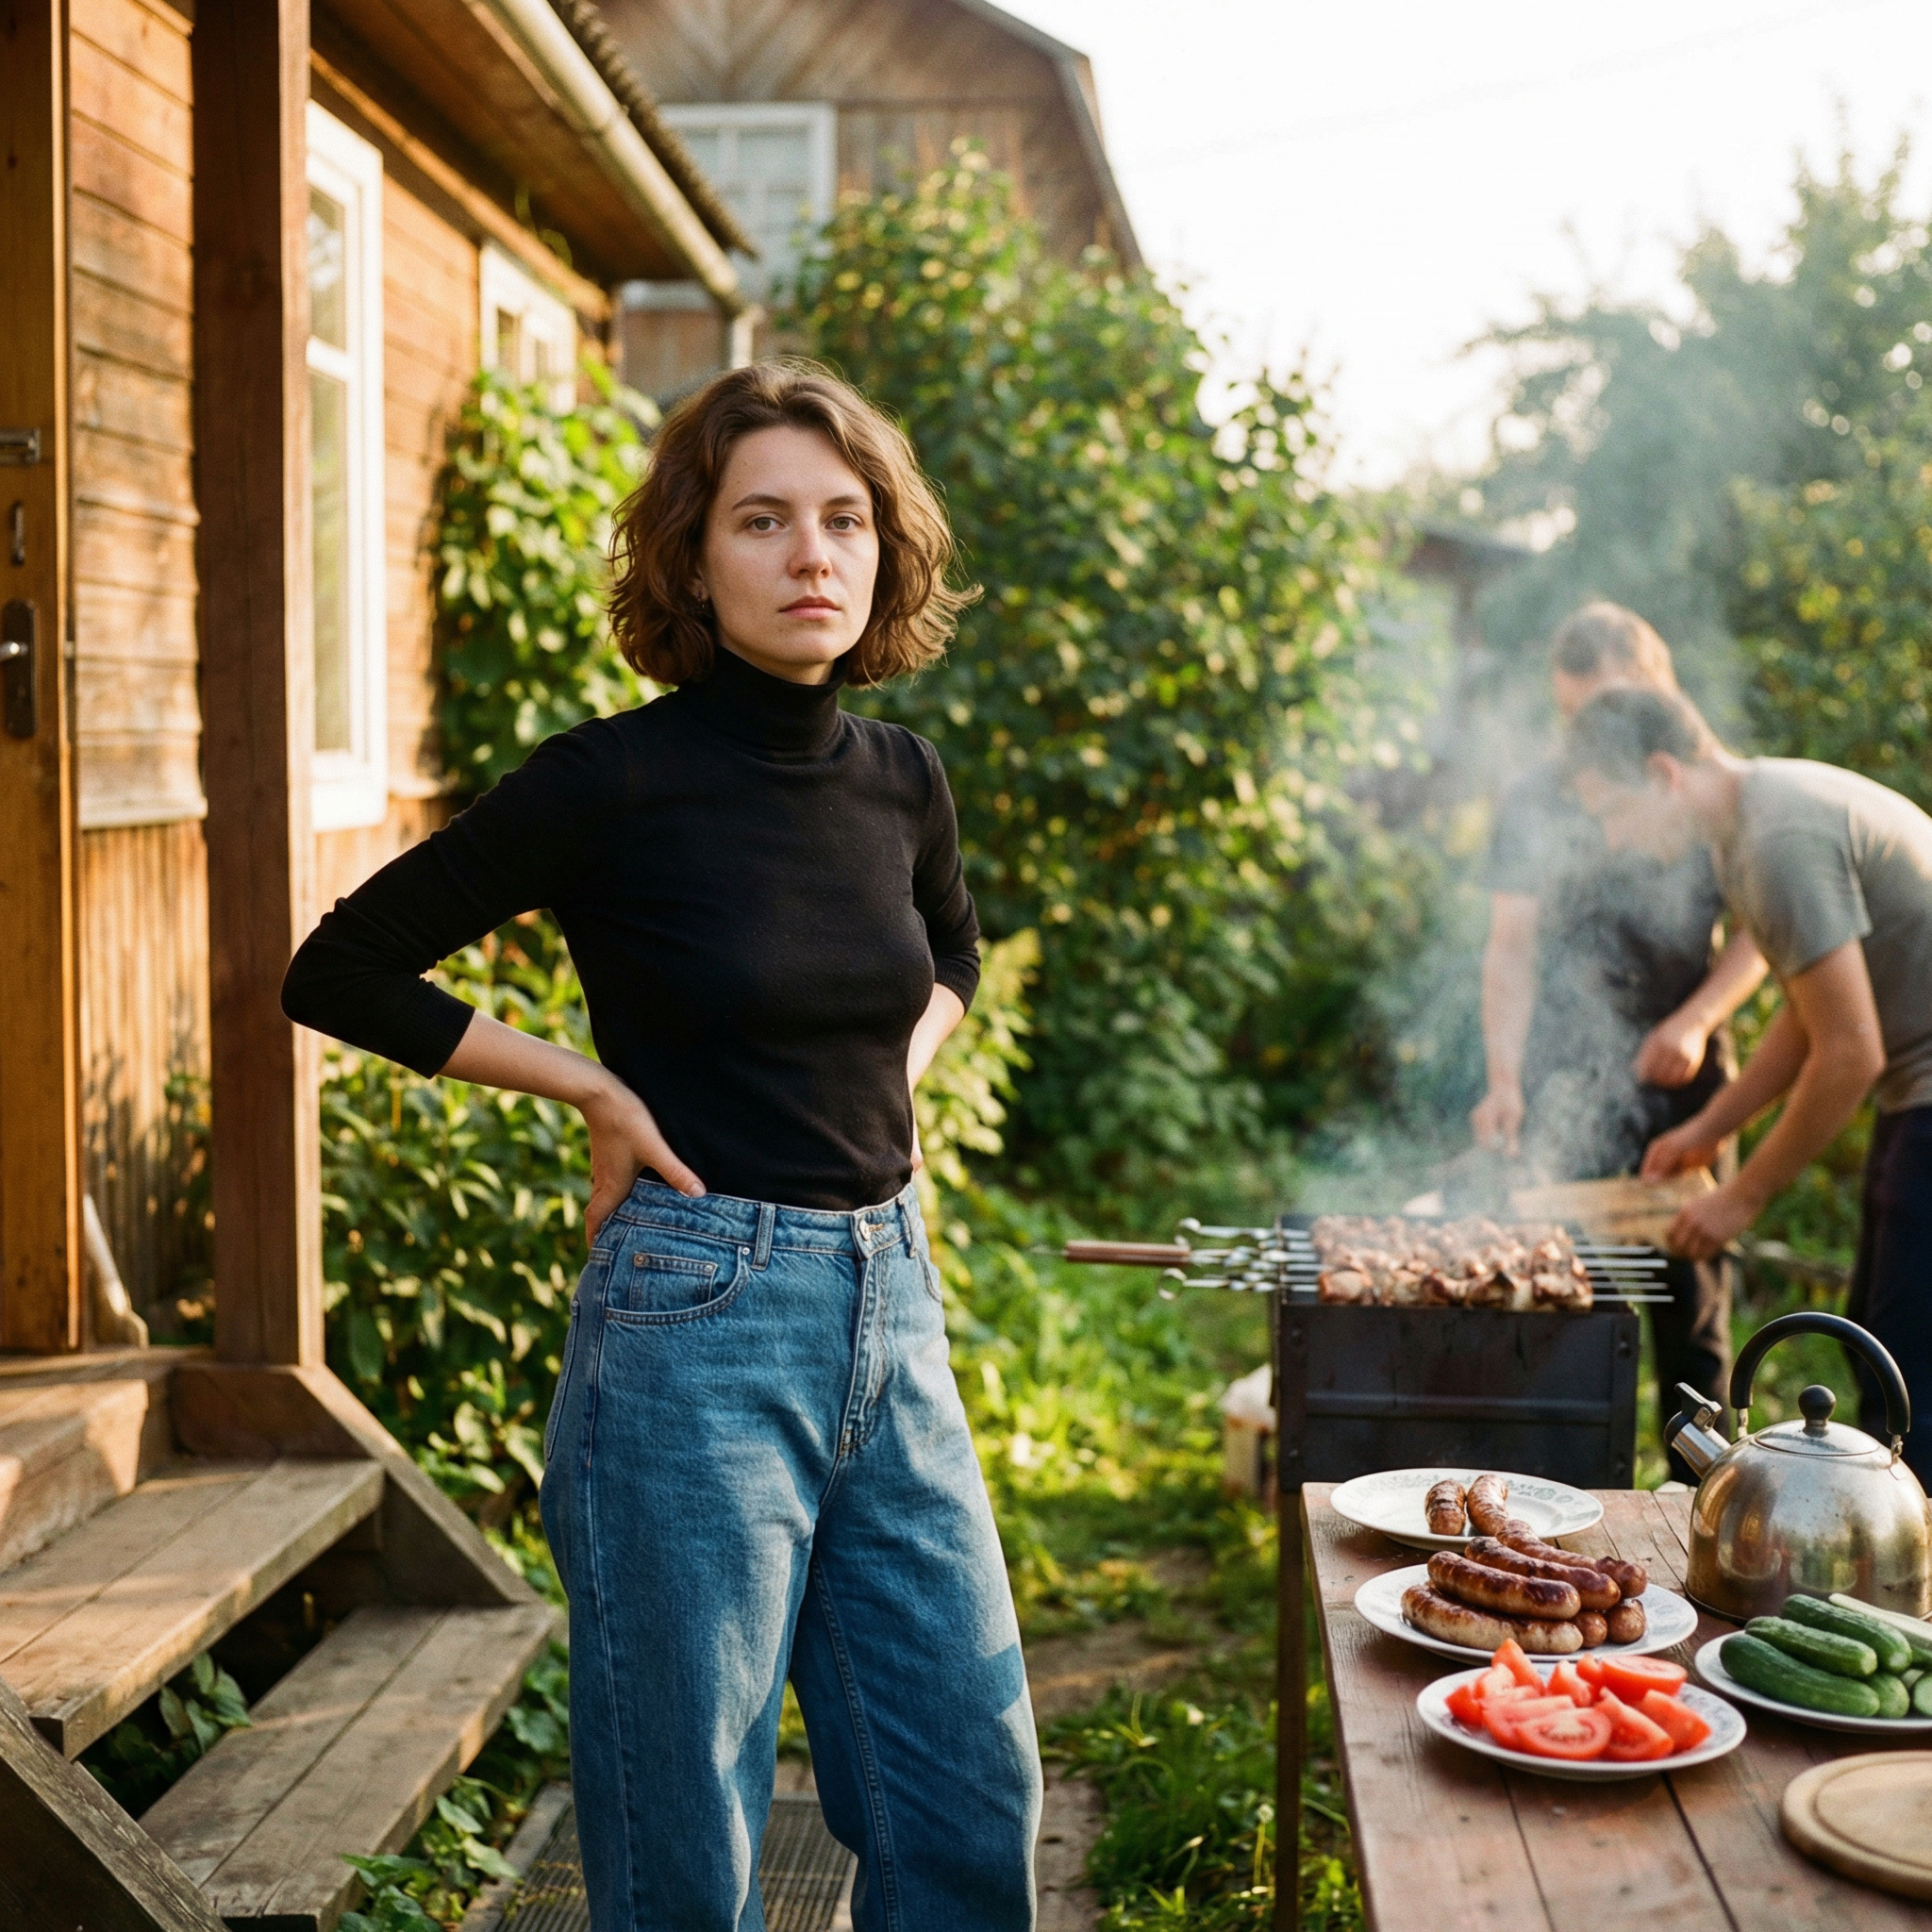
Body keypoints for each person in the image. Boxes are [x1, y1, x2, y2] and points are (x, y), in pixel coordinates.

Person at [282, 363, 1040, 1930]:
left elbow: (951, 959)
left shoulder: (903, 781)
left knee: (968, 1783)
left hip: (889, 1305)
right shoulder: (611, 778)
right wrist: (591, 1089)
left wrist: (892, 1081)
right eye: (761, 521)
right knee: (683, 1821)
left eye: (843, 520)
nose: (810, 555)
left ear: (885, 550)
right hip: (691, 1321)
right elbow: (335, 968)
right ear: (694, 559)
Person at [1563, 684, 1932, 1484]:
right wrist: (1708, 1131)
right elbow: (1810, 1017)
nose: (1614, 839)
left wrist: (1742, 1195)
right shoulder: (1745, 832)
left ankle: (1898, 1605)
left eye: (1614, 813)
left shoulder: (1777, 839)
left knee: (1911, 1397)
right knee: (1886, 1358)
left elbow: (1850, 1054)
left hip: (1923, 1094)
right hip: (1916, 1096)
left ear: (1664, 773)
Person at [1470, 603, 1765, 1475]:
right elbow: (1510, 947)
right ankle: (1560, 1507)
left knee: (1689, 1310)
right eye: (1571, 710)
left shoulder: (1707, 784)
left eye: (1607, 700)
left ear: (1657, 687)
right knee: (1564, 1306)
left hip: (1686, 1079)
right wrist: (1503, 1077)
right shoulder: (1533, 795)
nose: (1588, 728)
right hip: (1566, 1078)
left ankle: (1699, 1507)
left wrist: (1697, 1018)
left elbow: (1764, 937)